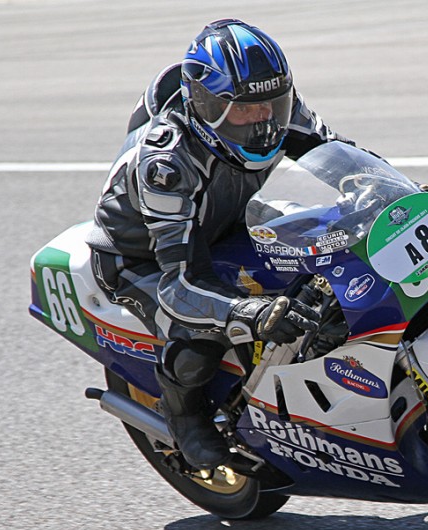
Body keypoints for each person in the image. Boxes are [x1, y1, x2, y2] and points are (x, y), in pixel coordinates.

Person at [86, 19, 351, 471]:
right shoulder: (165, 163)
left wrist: (399, 196)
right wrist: (246, 312)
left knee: (327, 254)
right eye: (244, 111)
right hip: (143, 256)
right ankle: (184, 416)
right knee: (202, 331)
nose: (262, 121)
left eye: (272, 104)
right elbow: (182, 283)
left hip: (227, 222)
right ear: (206, 106)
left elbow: (342, 160)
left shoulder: (279, 111)